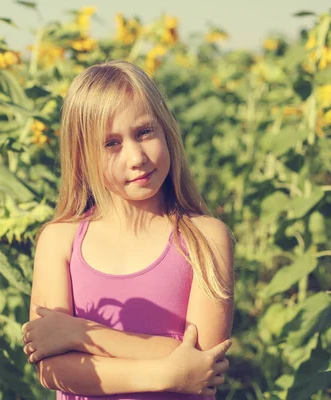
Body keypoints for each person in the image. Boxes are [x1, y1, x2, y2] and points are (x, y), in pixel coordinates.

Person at [20, 60, 235, 399]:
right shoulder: (59, 240)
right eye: (112, 144)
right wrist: (167, 372)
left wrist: (81, 334)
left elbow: (202, 362)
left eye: (144, 132)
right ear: (83, 155)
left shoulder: (206, 238)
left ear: (166, 131)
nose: (136, 157)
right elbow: (52, 370)